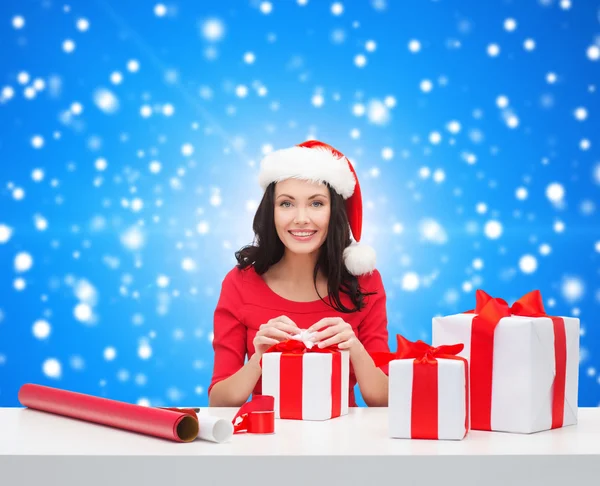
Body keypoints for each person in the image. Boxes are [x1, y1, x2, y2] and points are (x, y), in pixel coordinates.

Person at [208, 140, 390, 408]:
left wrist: (355, 348)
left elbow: (384, 401)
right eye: (286, 204)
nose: (301, 218)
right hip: (265, 441)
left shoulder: (365, 281)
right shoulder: (239, 283)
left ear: (334, 212)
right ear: (271, 211)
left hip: (342, 441)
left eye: (316, 204)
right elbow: (218, 402)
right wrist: (260, 358)